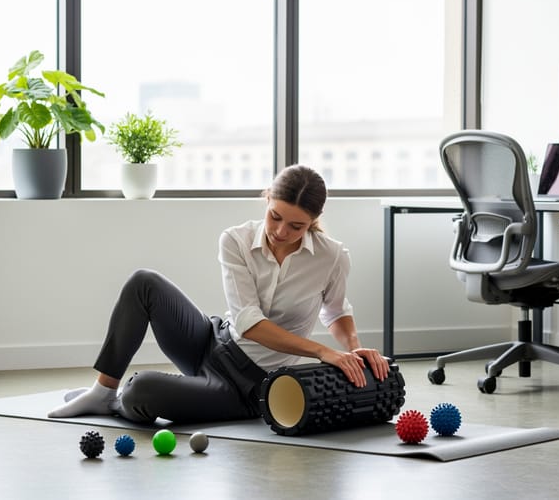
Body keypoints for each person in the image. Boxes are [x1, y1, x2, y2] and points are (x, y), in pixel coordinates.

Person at [47, 164, 390, 423]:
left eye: (296, 226)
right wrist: (321, 352)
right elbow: (247, 321)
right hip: (211, 343)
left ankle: (122, 399)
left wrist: (351, 348)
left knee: (142, 391)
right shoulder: (236, 240)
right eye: (275, 217)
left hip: (247, 387)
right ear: (267, 199)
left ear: (314, 221)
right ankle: (103, 391)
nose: (281, 232)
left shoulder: (332, 257)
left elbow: (335, 309)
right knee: (144, 282)